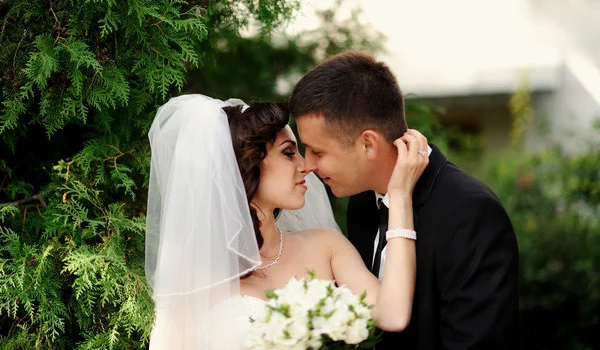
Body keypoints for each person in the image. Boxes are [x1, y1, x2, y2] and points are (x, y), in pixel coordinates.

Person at [144, 94, 429, 349]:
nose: (306, 166)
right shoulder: (194, 277)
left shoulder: (326, 245)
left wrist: (399, 194)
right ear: (246, 164)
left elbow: (392, 315)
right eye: (288, 153)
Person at [289, 51, 520, 350]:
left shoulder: (469, 212)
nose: (309, 165)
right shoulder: (361, 203)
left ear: (368, 144)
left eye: (317, 152)